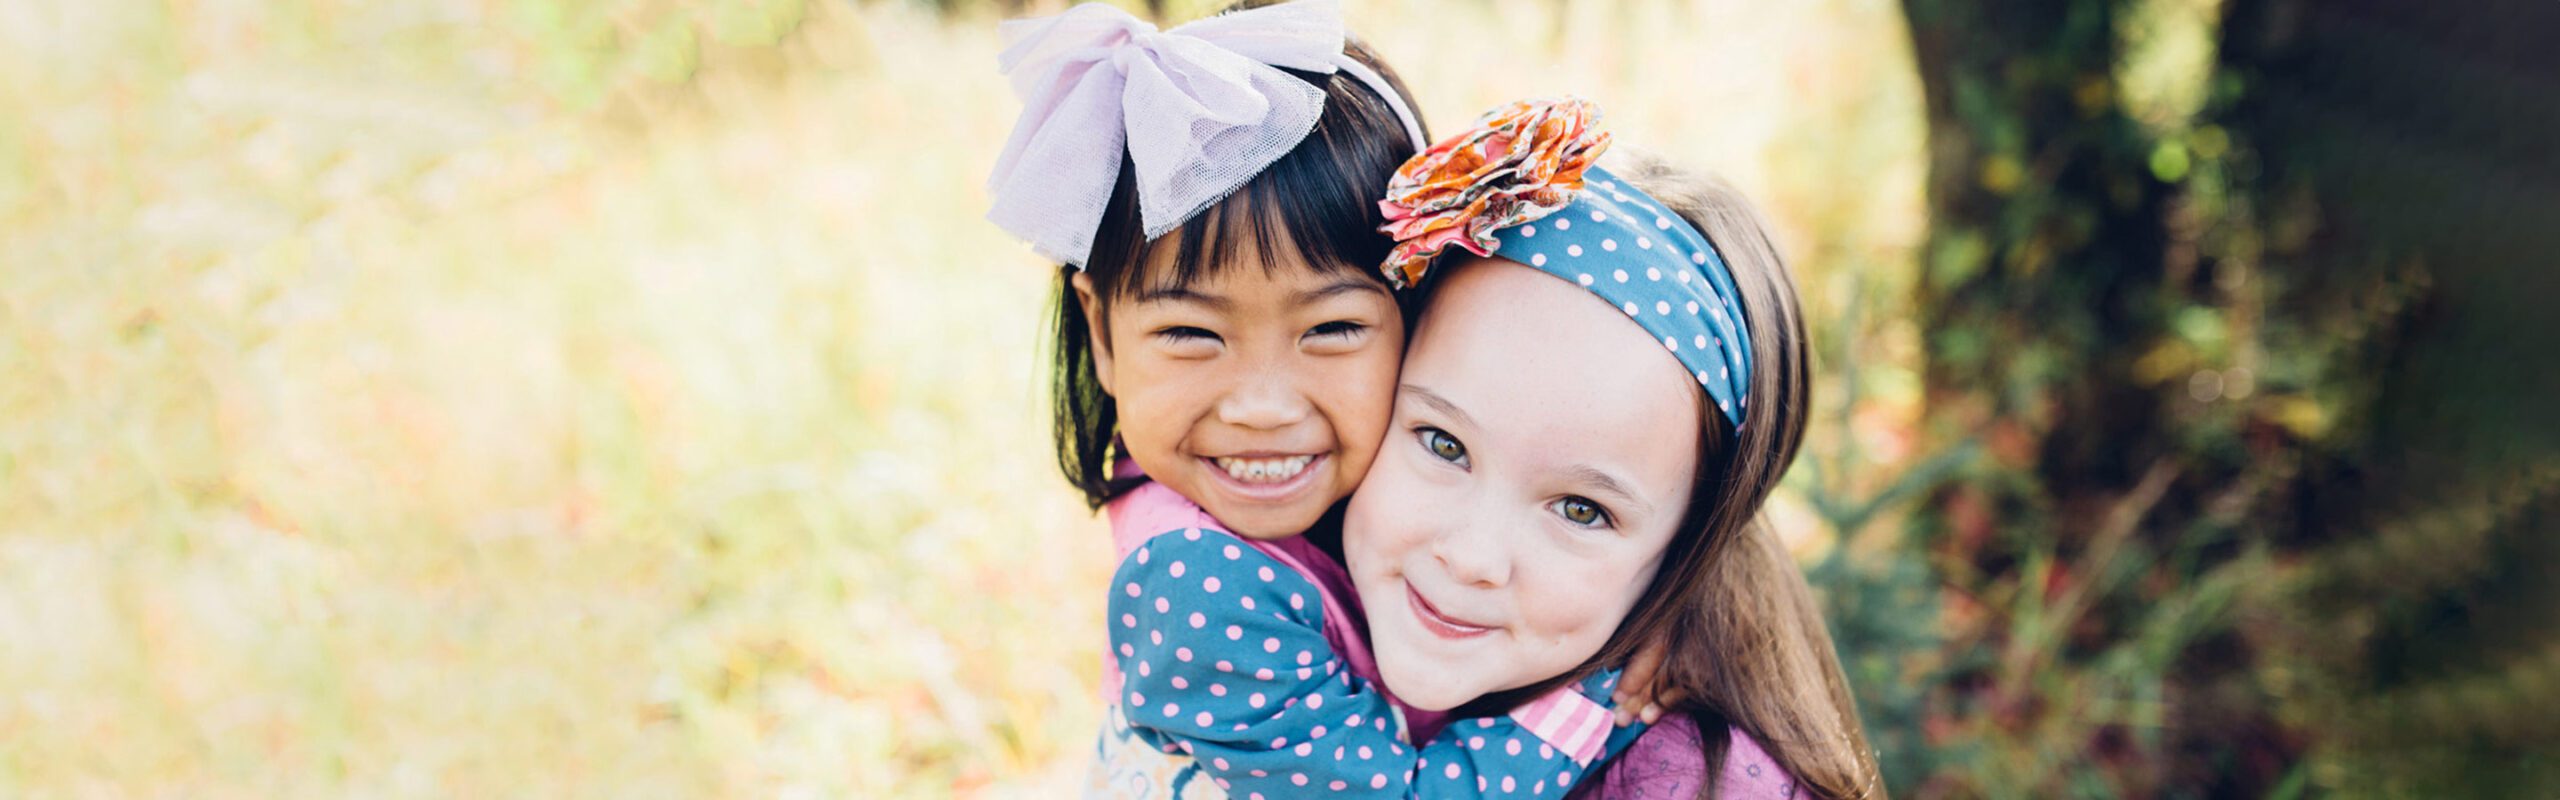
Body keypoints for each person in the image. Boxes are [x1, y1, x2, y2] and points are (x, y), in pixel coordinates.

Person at [986, 3, 1644, 796]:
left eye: (1331, 328)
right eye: (1193, 334)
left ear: (1415, 315)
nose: (1262, 407)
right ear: (1102, 334)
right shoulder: (1199, 582)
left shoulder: (1393, 495)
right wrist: (1608, 694)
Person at [1345, 98, 1885, 798]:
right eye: (1444, 444)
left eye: (1579, 510)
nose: (1472, 557)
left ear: (1687, 546)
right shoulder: (1252, 583)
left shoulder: (1694, 784)